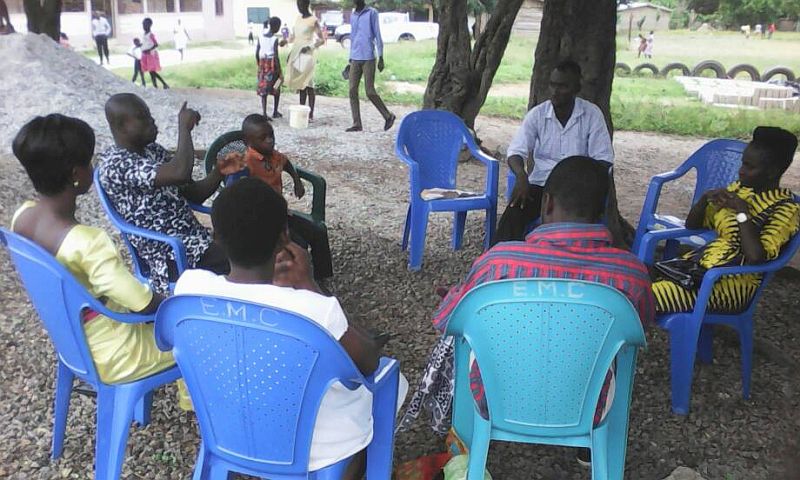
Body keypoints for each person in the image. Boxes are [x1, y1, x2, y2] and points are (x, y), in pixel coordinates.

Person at [399, 157, 654, 467]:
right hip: (591, 407)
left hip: (493, 399)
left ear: (545, 203)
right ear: (602, 212)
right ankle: (593, 454)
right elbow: (638, 333)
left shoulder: (498, 263)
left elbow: (447, 322)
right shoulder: (630, 274)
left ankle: (468, 455)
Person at [175, 177, 408, 479]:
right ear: (285, 235)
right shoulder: (314, 310)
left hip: (229, 433)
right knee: (393, 381)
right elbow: (369, 361)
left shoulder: (188, 290)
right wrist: (309, 285)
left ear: (216, 236)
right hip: (313, 453)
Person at [9, 114, 189, 407]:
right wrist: (178, 305)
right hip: (112, 353)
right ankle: (198, 408)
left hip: (71, 340)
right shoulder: (86, 242)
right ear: (76, 174)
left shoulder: (22, 217)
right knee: (193, 333)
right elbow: (142, 303)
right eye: (89, 161)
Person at [97, 94, 244, 294]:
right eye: (143, 117)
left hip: (195, 242)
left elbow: (193, 194)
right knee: (249, 259)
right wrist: (184, 129)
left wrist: (219, 171)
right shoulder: (116, 164)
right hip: (169, 255)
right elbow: (179, 172)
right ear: (122, 126)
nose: (152, 121)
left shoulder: (152, 151)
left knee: (253, 242)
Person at [652, 127, 799, 315]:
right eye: (743, 163)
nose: (741, 172)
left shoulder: (785, 208)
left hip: (730, 284)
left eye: (750, 167)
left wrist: (742, 212)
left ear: (772, 172)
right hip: (694, 271)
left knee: (644, 297)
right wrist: (705, 200)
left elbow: (755, 257)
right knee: (632, 279)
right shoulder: (739, 190)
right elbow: (692, 225)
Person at [494, 60, 613, 244]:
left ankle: (573, 262)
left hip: (578, 190)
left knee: (581, 220)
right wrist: (521, 175)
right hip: (541, 186)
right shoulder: (537, 114)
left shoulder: (592, 115)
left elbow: (604, 160)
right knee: (515, 210)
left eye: (563, 86)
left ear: (576, 88)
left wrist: (583, 182)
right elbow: (516, 151)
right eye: (553, 85)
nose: (555, 91)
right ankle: (501, 258)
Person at [239, 114, 333, 278]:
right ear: (248, 142)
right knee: (298, 244)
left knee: (318, 232)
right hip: (262, 220)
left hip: (281, 214)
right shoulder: (247, 164)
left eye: (271, 136)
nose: (269, 140)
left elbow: (286, 162)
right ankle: (296, 282)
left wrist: (297, 180)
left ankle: (322, 277)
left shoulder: (274, 155)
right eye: (263, 138)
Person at [346, 0, 396, 132]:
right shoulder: (353, 15)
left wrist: (381, 56)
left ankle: (388, 115)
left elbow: (377, 35)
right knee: (352, 90)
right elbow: (353, 37)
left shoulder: (372, 13)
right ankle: (357, 123)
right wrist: (349, 59)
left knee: (369, 91)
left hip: (368, 57)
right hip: (355, 57)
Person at [284, 0, 325, 121]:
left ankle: (311, 113)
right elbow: (293, 37)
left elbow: (321, 40)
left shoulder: (313, 20)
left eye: (301, 5)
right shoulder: (298, 18)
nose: (299, 7)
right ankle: (302, 111)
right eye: (297, 5)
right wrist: (286, 43)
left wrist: (310, 47)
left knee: (309, 83)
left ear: (306, 5)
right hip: (297, 53)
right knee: (301, 84)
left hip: (307, 54)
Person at [255, 17, 283, 119]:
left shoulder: (260, 36)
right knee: (277, 86)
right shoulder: (275, 39)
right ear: (275, 26)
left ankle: (264, 113)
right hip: (272, 65)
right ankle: (275, 111)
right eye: (278, 27)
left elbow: (257, 52)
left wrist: (259, 64)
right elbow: (276, 56)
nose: (278, 29)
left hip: (262, 64)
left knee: (263, 89)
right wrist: (280, 71)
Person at [141, 17, 169, 89]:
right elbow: (146, 43)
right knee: (151, 72)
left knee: (152, 71)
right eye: (143, 25)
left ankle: (164, 83)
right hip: (146, 55)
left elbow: (156, 44)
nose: (143, 26)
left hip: (151, 55)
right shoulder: (144, 34)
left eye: (145, 25)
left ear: (149, 25)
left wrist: (149, 50)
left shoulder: (151, 34)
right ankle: (155, 86)